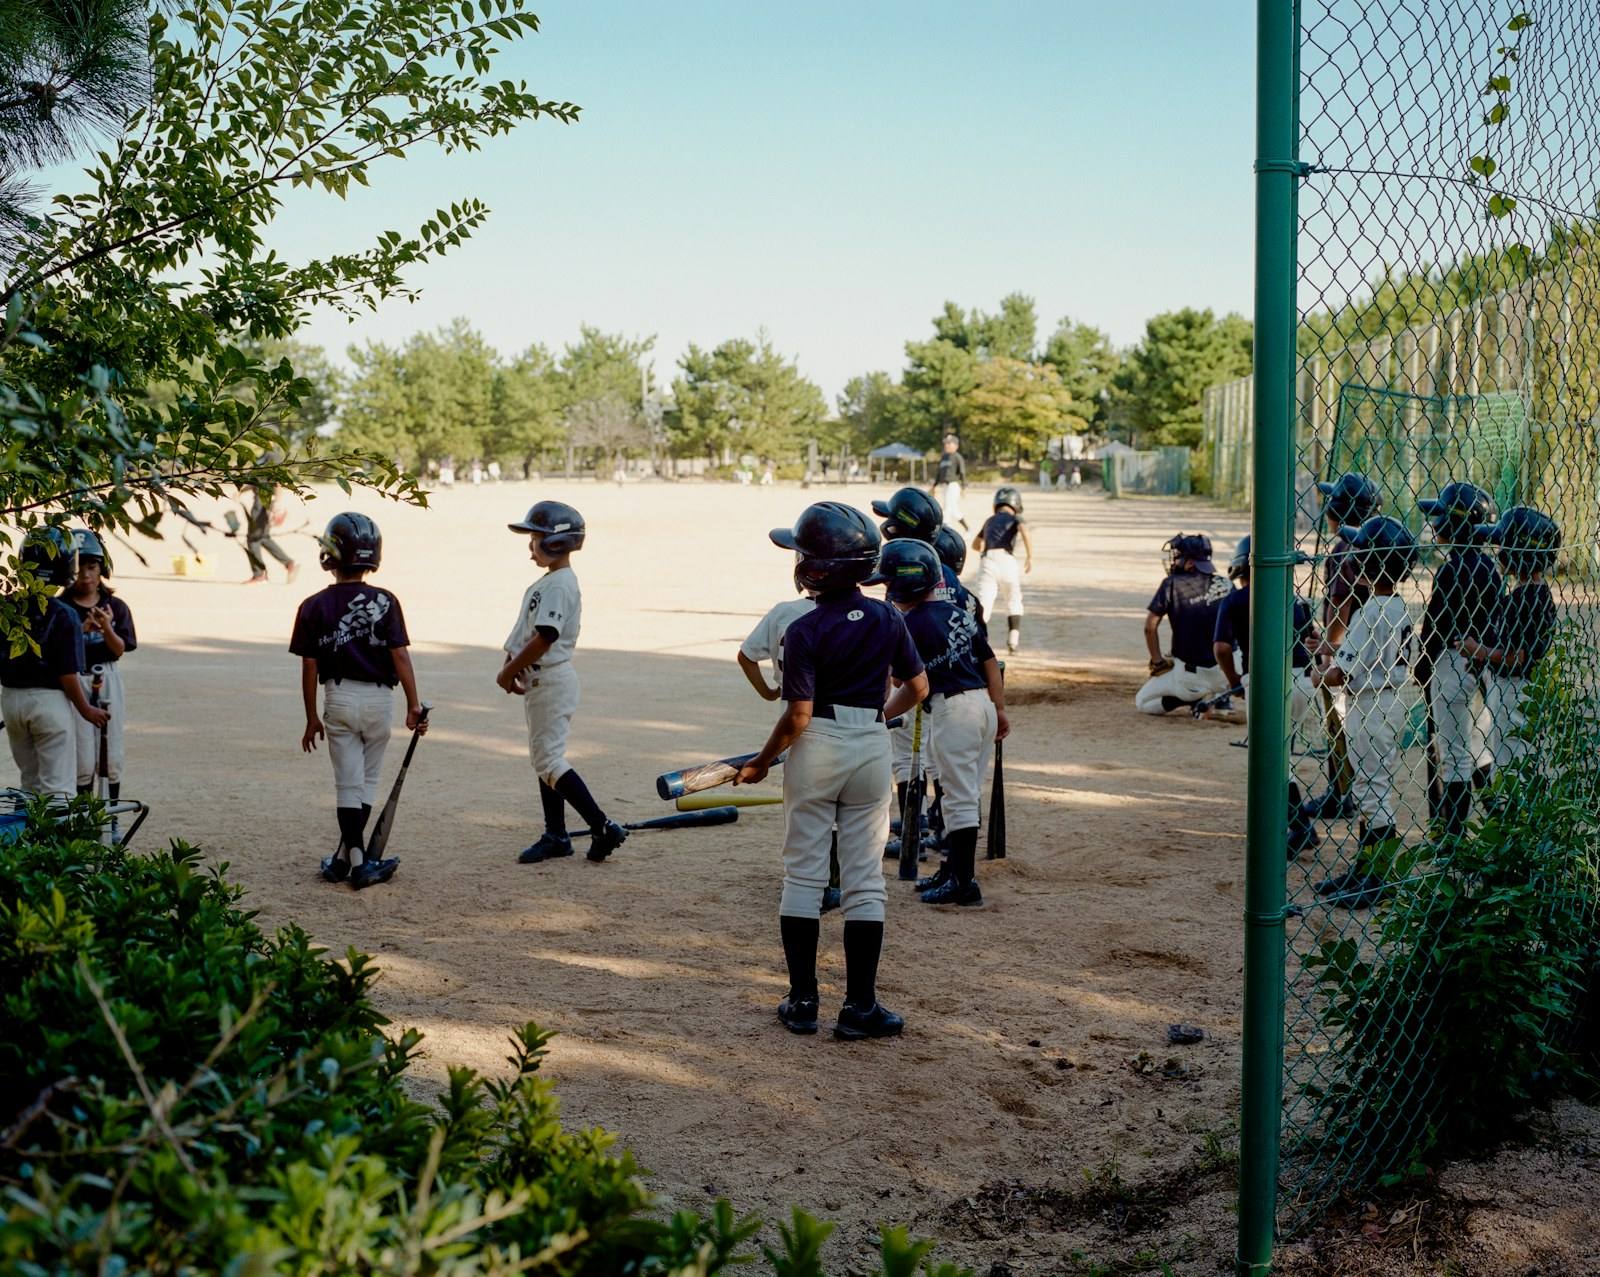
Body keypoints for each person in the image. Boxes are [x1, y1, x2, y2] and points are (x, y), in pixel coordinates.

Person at [735, 502, 928, 1041]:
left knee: (803, 875)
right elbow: (917, 687)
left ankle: (802, 1002)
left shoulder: (804, 628)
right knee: (865, 879)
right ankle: (860, 1006)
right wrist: (876, 718)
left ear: (814, 568)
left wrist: (761, 761)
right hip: (870, 746)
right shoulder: (888, 616)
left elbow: (797, 715)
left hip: (817, 746)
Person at [871, 539, 1009, 907]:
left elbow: (908, 685)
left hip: (954, 712)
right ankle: (952, 871)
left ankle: (964, 882)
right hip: (981, 705)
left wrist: (882, 715)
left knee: (958, 797)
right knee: (961, 793)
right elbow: (990, 662)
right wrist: (1000, 709)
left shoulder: (910, 624)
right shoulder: (957, 612)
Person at [292, 512, 426, 889]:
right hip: (380, 701)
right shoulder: (386, 600)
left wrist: (311, 717)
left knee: (347, 785)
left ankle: (351, 860)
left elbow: (309, 666)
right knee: (367, 781)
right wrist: (413, 704)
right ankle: (353, 860)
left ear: (330, 556)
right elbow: (400, 655)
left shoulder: (313, 605)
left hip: (338, 698)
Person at [498, 501, 629, 865]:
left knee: (549, 759)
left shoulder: (560, 585)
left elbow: (545, 637)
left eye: (535, 539)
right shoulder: (549, 582)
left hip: (551, 679)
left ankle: (602, 826)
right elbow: (526, 633)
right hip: (542, 680)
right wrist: (510, 663)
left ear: (555, 542)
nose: (530, 547)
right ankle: (556, 834)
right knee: (544, 758)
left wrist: (508, 672)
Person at [1309, 515, 1419, 908]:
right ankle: (1364, 870)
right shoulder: (1397, 606)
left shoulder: (1369, 611)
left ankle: (1376, 879)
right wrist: (1330, 651)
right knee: (1371, 789)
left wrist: (1318, 672)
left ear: (1364, 564)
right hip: (1387, 700)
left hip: (1371, 706)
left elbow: (1339, 675)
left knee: (1372, 793)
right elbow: (1369, 652)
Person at [1211, 535, 1320, 856]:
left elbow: (1221, 648)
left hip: (1265, 684)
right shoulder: (1296, 601)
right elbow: (1313, 638)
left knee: (1271, 760)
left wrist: (1235, 681)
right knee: (1280, 755)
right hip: (1303, 683)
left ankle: (1300, 827)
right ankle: (1295, 825)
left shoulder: (1236, 599)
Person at [1415, 482, 1502, 836]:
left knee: (1454, 757)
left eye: (1441, 518)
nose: (1435, 524)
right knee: (1477, 749)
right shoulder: (1490, 567)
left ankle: (1452, 842)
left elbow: (1434, 628)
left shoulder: (1451, 570)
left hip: (1451, 662)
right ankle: (1501, 822)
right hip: (1481, 666)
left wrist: (1422, 668)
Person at [1301, 472, 1383, 820]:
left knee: (1339, 724)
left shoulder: (1343, 550)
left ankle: (1340, 794)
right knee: (1353, 726)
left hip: (1344, 651)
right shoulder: (1372, 544)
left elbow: (1340, 605)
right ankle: (1343, 792)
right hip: (1369, 650)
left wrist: (1327, 652)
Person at [2, 529, 107, 795]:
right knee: (57, 787)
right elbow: (68, 674)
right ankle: (57, 824)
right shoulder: (64, 613)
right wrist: (86, 709)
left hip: (11, 699)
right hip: (48, 701)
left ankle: (29, 823)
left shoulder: (8, 607)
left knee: (30, 782)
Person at [1460, 506, 1560, 780]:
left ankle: (1511, 805)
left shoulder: (1524, 600)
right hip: (1522, 688)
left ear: (1515, 553)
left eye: (1502, 545)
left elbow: (1517, 656)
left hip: (1514, 690)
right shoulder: (1537, 594)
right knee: (1514, 758)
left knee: (1509, 764)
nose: (1498, 551)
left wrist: (1477, 650)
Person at [62, 529, 137, 798]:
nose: (85, 575)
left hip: (106, 675)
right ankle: (83, 812)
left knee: (110, 750)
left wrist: (107, 628)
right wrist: (80, 630)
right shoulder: (61, 606)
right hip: (74, 678)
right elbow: (58, 651)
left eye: (91, 567)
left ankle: (110, 813)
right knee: (81, 753)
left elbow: (119, 649)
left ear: (101, 569)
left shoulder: (115, 606)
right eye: (79, 568)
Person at [1135, 534, 1233, 713]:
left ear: (1190, 562)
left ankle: (1189, 699)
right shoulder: (1226, 583)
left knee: (1143, 702)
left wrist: (1157, 661)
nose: (1175, 560)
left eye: (1179, 556)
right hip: (1227, 672)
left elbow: (1150, 627)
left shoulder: (1171, 584)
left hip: (1190, 677)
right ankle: (1222, 697)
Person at [972, 486, 1033, 654]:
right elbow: (1024, 531)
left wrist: (986, 550)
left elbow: (975, 545)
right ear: (1016, 504)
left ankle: (977, 643)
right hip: (1007, 561)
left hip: (988, 561)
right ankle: (1013, 641)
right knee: (1013, 599)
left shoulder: (989, 520)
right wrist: (1030, 556)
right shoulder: (1016, 518)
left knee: (984, 604)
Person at [242, 483, 299, 585]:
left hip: (262, 505)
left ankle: (259, 575)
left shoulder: (268, 471)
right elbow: (254, 482)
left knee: (253, 539)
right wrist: (240, 491)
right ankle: (289, 563)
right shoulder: (260, 473)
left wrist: (277, 503)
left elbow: (277, 483)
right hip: (262, 504)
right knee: (263, 538)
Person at [931, 434, 967, 530]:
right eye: (946, 443)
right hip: (944, 486)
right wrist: (934, 486)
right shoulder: (944, 457)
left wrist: (963, 487)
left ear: (956, 445)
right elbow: (939, 473)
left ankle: (945, 530)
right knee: (954, 510)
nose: (946, 445)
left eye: (949, 443)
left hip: (953, 485)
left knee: (947, 508)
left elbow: (962, 472)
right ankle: (968, 529)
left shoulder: (957, 457)